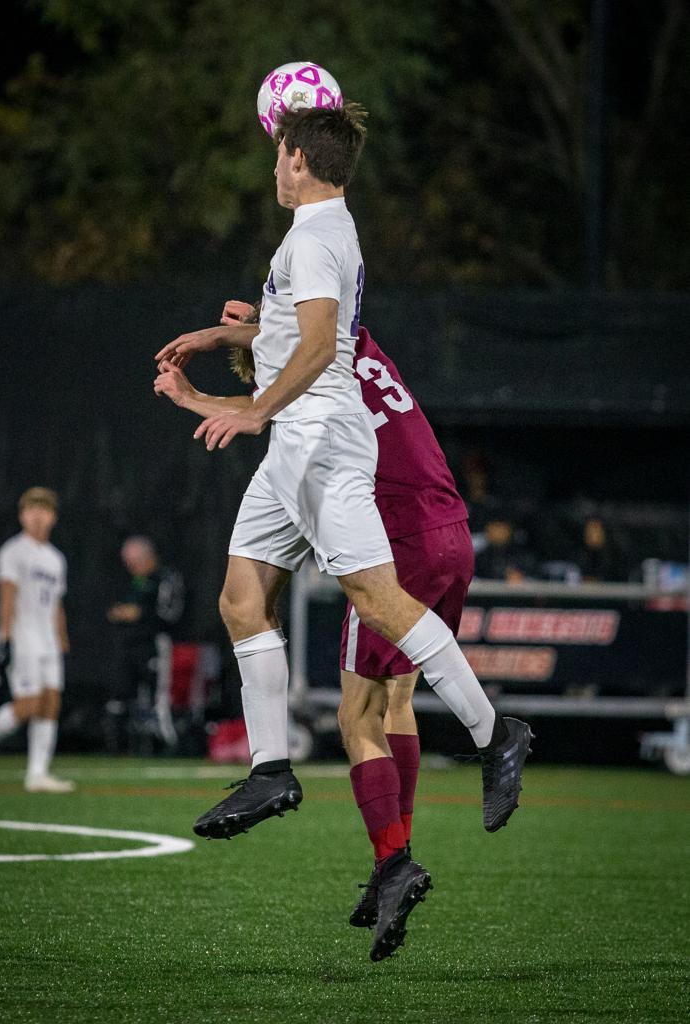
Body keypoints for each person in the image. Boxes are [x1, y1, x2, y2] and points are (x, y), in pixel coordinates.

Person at [154, 104, 532, 961]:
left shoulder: (320, 234)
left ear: (298, 159)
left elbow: (322, 344)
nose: (273, 163)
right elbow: (296, 329)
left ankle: (494, 732)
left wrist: (250, 408)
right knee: (241, 598)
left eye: (280, 153)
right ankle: (273, 771)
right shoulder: (308, 235)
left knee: (375, 597)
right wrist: (226, 345)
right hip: (293, 446)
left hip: (324, 444)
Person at [0, 487, 74, 793]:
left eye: (44, 510)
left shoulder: (55, 558)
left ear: (53, 517)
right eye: (31, 509)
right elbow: (7, 595)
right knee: (28, 704)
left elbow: (56, 605)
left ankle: (37, 773)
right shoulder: (13, 551)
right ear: (22, 515)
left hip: (48, 639)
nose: (38, 516)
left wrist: (62, 641)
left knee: (51, 703)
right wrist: (5, 636)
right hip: (24, 637)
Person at [104, 536, 184, 753]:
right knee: (121, 695)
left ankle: (169, 746)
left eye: (135, 561)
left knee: (158, 698)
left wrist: (140, 614)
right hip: (128, 645)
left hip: (154, 644)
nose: (132, 567)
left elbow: (170, 613)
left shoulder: (164, 578)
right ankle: (118, 746)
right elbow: (115, 609)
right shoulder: (129, 580)